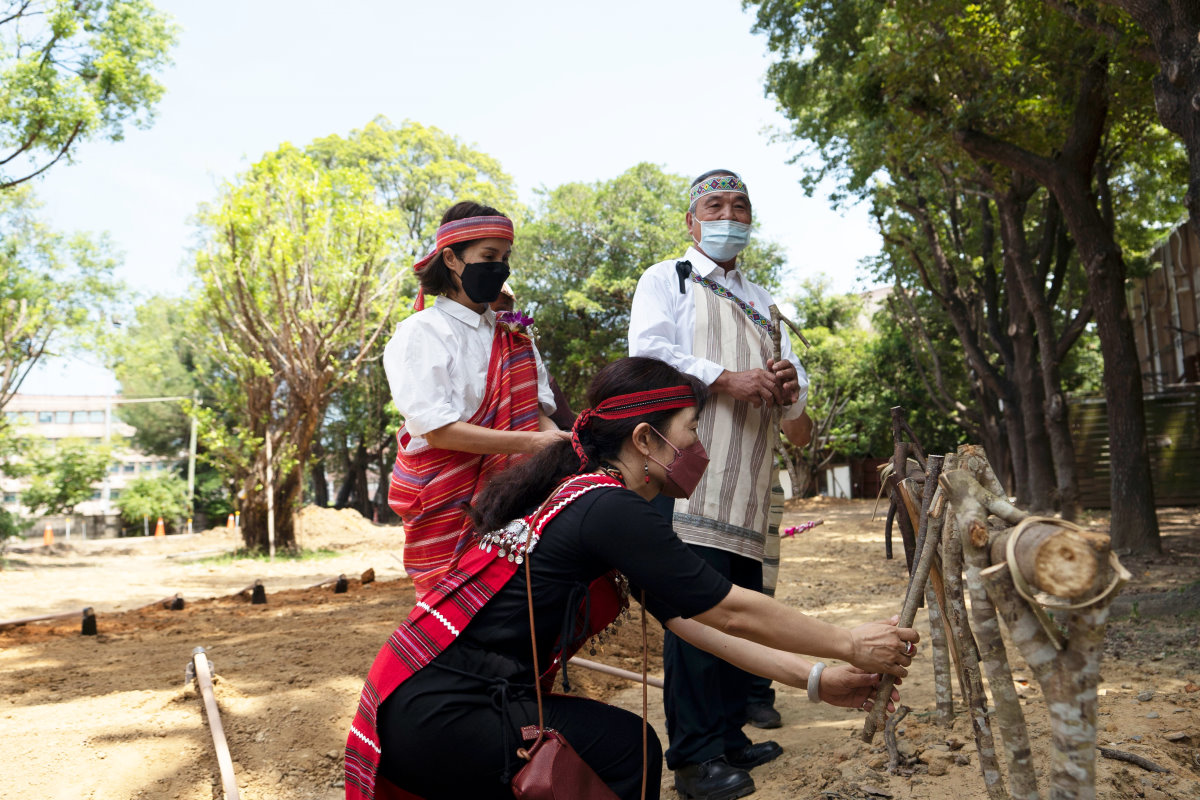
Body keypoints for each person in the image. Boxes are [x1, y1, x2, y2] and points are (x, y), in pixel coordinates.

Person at [345, 357, 918, 800]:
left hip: (423, 704)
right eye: (692, 429)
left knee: (621, 750)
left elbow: (695, 626)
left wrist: (818, 679)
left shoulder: (590, 500)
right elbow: (728, 609)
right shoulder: (610, 509)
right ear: (646, 438)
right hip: (443, 711)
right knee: (626, 753)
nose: (700, 448)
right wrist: (850, 643)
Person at [628, 169, 815, 799]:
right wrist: (724, 378)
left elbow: (801, 427)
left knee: (744, 617)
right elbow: (646, 353)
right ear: (691, 221)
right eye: (716, 205)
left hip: (750, 486)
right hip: (688, 484)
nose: (729, 214)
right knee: (700, 619)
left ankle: (729, 735)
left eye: (741, 205)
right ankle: (695, 758)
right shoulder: (667, 279)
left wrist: (788, 393)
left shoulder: (765, 302)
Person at [383, 202, 569, 599]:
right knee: (453, 612)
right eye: (488, 257)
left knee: (520, 609)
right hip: (446, 504)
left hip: (519, 497)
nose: (500, 268)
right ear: (451, 258)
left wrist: (559, 446)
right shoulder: (421, 332)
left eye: (505, 258)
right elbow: (437, 431)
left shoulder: (515, 336)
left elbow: (537, 416)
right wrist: (532, 444)